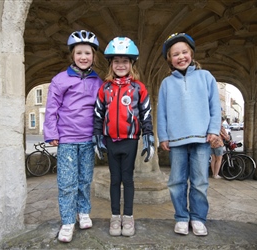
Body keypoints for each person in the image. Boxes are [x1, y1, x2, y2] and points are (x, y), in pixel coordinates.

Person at [157, 33, 221, 236]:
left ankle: (198, 218)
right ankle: (182, 217)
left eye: (184, 52)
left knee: (200, 181)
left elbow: (215, 106)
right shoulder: (166, 83)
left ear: (191, 54)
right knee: (176, 181)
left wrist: (213, 130)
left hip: (201, 139)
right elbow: (162, 112)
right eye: (175, 54)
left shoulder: (206, 77)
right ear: (170, 59)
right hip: (176, 140)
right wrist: (163, 136)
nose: (181, 56)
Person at [43, 30, 102, 243]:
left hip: (88, 139)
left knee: (85, 179)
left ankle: (83, 211)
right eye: (79, 53)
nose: (83, 57)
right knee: (67, 182)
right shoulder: (60, 80)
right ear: (72, 55)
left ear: (94, 56)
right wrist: (51, 133)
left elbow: (101, 109)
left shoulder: (98, 82)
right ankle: (68, 220)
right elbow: (51, 108)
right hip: (67, 138)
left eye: (88, 52)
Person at [93, 37, 155, 237]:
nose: (121, 65)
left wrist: (148, 136)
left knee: (127, 180)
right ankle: (114, 217)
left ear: (131, 64)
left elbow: (145, 114)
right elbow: (98, 114)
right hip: (110, 141)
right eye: (117, 61)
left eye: (125, 61)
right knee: (114, 180)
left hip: (130, 141)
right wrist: (97, 136)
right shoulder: (105, 88)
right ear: (111, 64)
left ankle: (128, 217)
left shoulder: (139, 88)